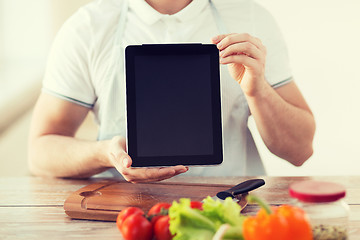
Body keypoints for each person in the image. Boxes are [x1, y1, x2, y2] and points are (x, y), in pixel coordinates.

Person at [28, 0, 316, 182]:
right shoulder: (88, 26)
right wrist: (106, 154)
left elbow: (300, 151)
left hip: (231, 208)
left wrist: (258, 91)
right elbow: (40, 152)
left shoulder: (251, 18)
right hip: (123, 214)